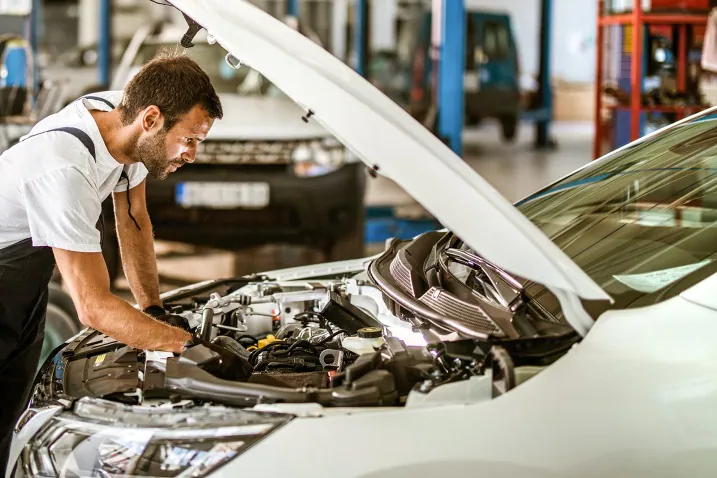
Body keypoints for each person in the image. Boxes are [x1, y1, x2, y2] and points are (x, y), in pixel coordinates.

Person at [0, 50, 225, 473]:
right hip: (4, 271)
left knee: (10, 413)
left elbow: (134, 218)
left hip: (24, 275)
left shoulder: (123, 118)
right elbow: (92, 306)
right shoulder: (64, 170)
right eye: (189, 138)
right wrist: (189, 349)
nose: (192, 153)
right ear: (152, 119)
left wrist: (155, 310)